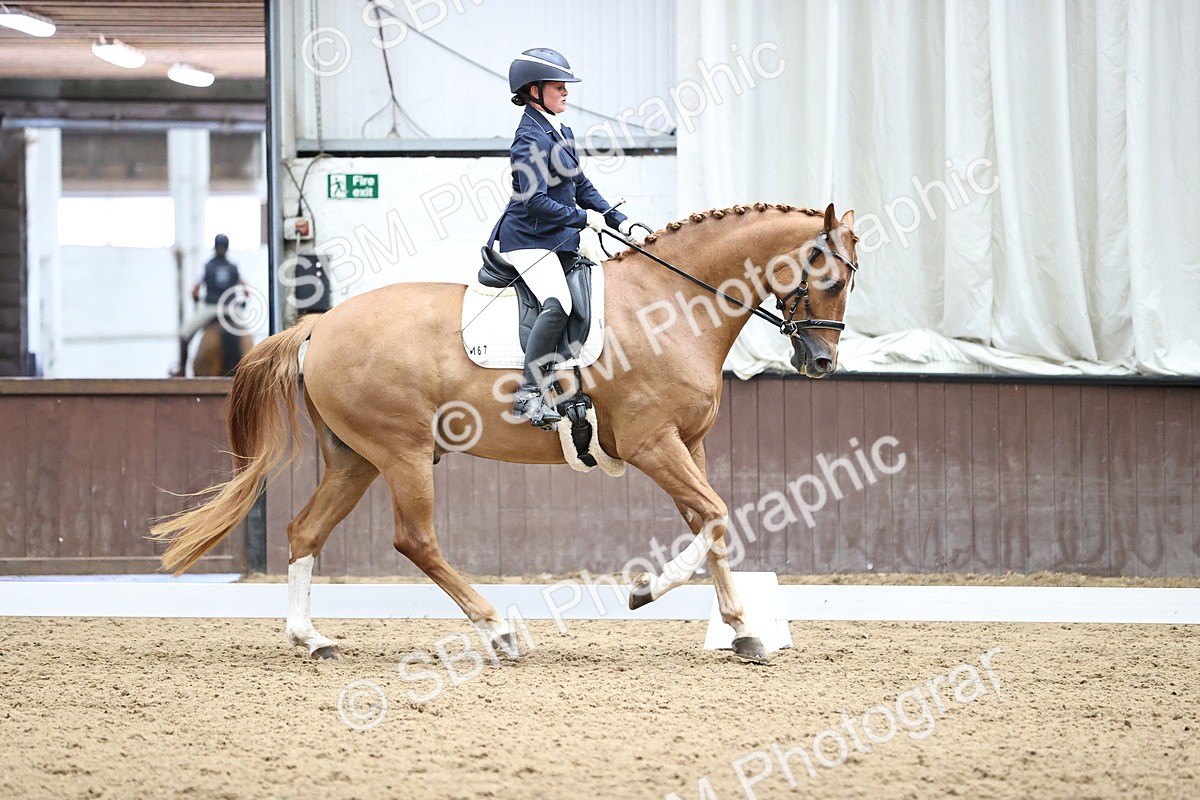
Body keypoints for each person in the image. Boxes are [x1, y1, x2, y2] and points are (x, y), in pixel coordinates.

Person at [488, 47, 645, 428]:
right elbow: (535, 201)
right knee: (558, 302)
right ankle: (528, 393)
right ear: (534, 91)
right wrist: (582, 218)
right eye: (558, 87)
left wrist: (621, 222)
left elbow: (581, 185)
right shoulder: (528, 138)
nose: (566, 93)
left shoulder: (559, 131)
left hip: (557, 238)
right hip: (528, 240)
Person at [171, 233, 245, 377]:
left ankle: (181, 369)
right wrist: (242, 304)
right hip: (231, 309)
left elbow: (194, 291)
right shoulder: (235, 267)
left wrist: (197, 301)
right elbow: (246, 290)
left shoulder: (206, 266)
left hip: (211, 308)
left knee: (185, 334)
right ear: (227, 248)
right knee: (248, 336)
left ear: (215, 247)